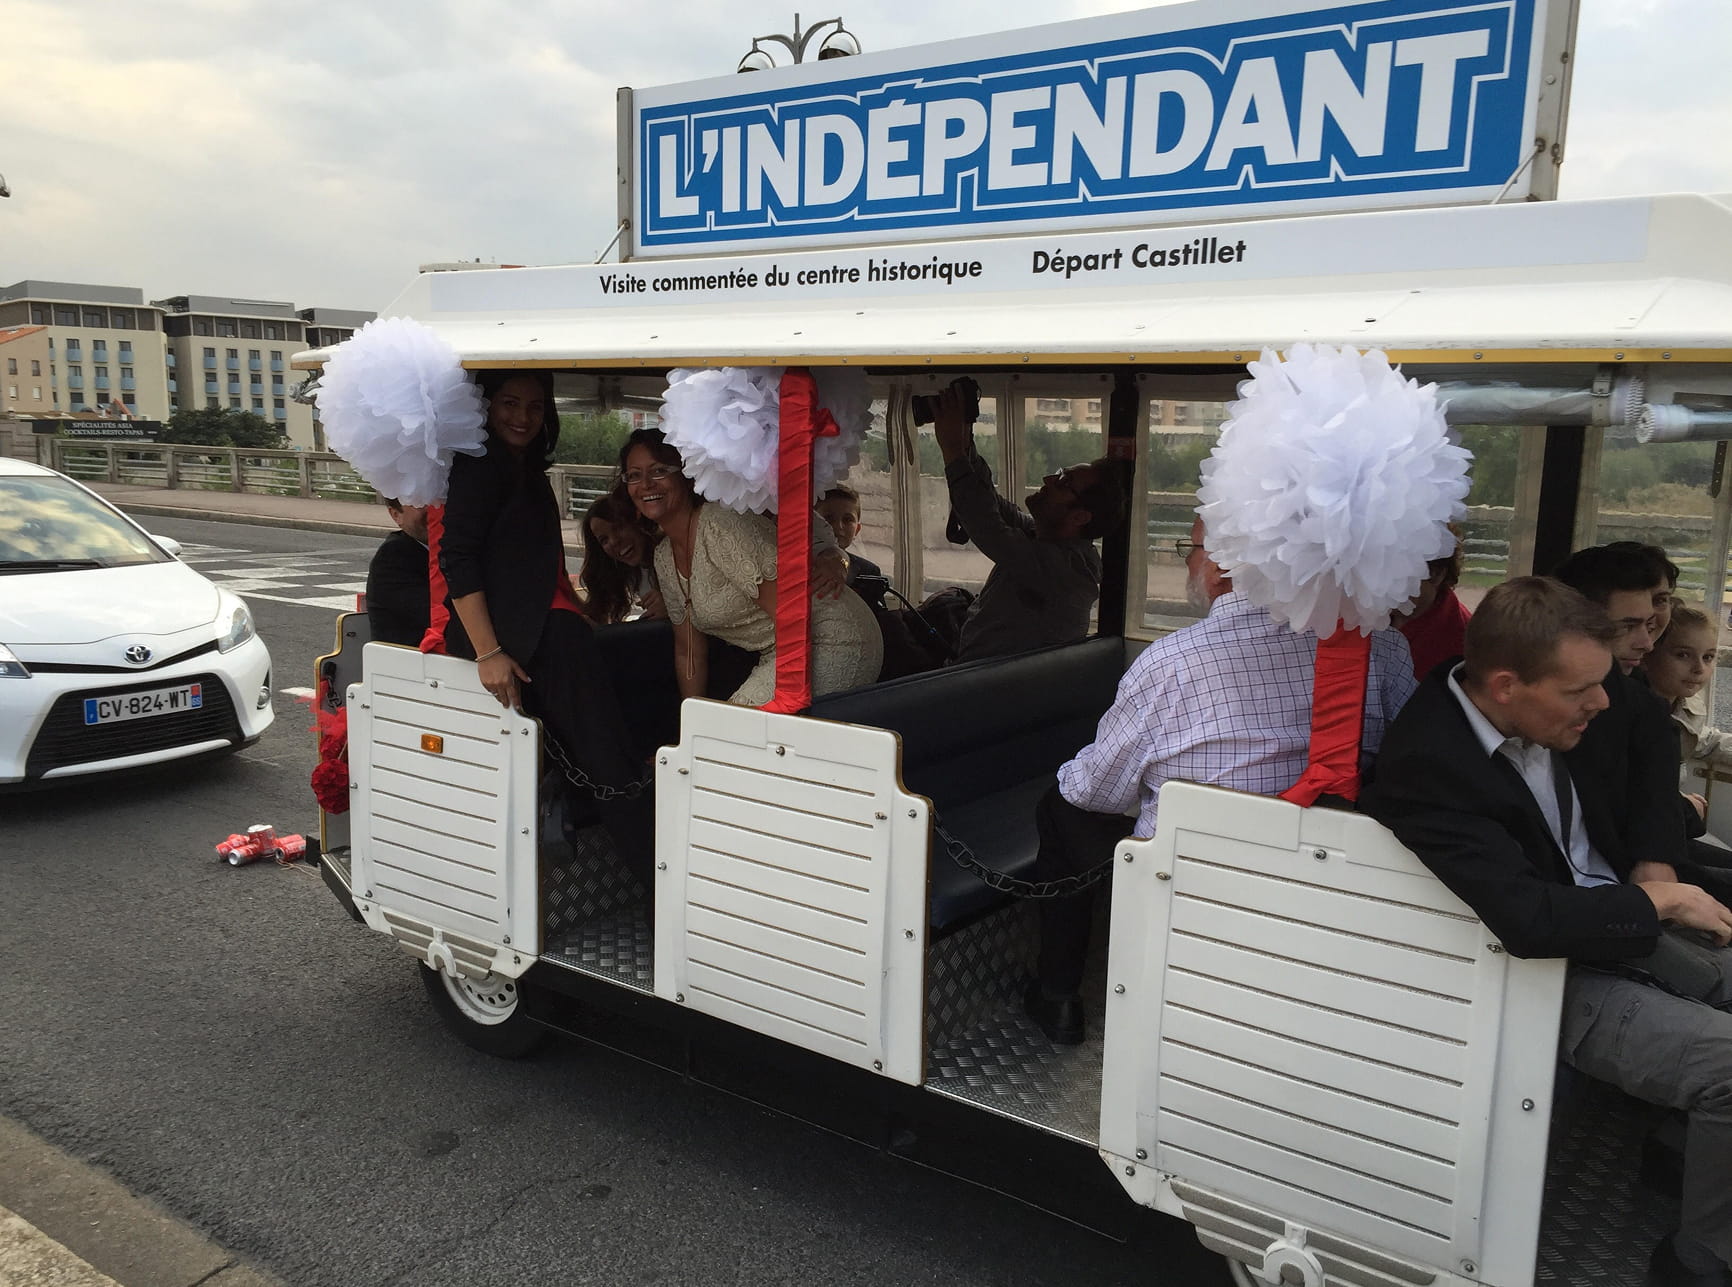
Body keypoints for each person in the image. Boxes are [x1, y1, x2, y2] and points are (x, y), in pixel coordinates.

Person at [1360, 577, 1732, 1287]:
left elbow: (1647, 742)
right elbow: (1528, 922)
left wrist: (1659, 853)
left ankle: (1677, 1147)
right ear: (1506, 685)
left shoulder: (1556, 700)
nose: (1603, 700)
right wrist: (1660, 904)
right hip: (1539, 973)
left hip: (1609, 914)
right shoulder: (1431, 766)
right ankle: (1701, 1258)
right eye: (1581, 691)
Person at [1020, 516, 1417, 1044]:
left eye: (1194, 547)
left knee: (1062, 805)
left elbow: (1095, 791)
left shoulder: (1172, 661)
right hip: (1325, 880)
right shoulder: (1380, 649)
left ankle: (1058, 997)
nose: (1189, 558)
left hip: (1190, 885)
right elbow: (1403, 762)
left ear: (1222, 566)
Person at [438, 370, 652, 870]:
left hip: (553, 632)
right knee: (607, 758)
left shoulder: (522, 468)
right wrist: (489, 653)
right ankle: (655, 885)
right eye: (510, 403)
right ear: (486, 407)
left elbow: (538, 570)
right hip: (531, 643)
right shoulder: (478, 465)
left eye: (535, 407)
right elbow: (457, 557)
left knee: (613, 746)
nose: (523, 417)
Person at [623, 428, 883, 706]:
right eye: (634, 475)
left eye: (659, 470)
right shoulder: (664, 557)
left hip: (832, 638)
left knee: (734, 736)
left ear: (685, 476)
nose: (646, 484)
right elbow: (689, 653)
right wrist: (692, 725)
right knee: (718, 737)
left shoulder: (718, 525)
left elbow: (793, 618)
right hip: (785, 649)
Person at [933, 384, 1125, 662]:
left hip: (1001, 694)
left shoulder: (1066, 572)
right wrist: (965, 441)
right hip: (980, 680)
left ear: (1079, 517)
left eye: (1064, 482)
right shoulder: (1043, 536)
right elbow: (990, 504)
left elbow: (987, 526)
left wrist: (951, 450)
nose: (1049, 479)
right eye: (1060, 473)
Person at [579, 487, 666, 625]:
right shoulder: (625, 571)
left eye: (618, 527)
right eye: (604, 540)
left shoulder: (673, 552)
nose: (614, 542)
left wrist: (674, 604)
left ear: (637, 521)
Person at [1393, 529, 1470, 679]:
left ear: (1435, 574)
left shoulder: (1462, 643)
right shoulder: (1362, 616)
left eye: (1396, 575)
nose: (1379, 586)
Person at [366, 497, 431, 648]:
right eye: (420, 503)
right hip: (411, 662)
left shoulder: (451, 548)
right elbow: (438, 615)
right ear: (396, 515)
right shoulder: (394, 556)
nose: (433, 510)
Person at [817, 483, 885, 602]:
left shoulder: (869, 572)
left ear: (857, 530)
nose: (838, 527)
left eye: (847, 519)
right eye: (828, 518)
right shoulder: (801, 562)